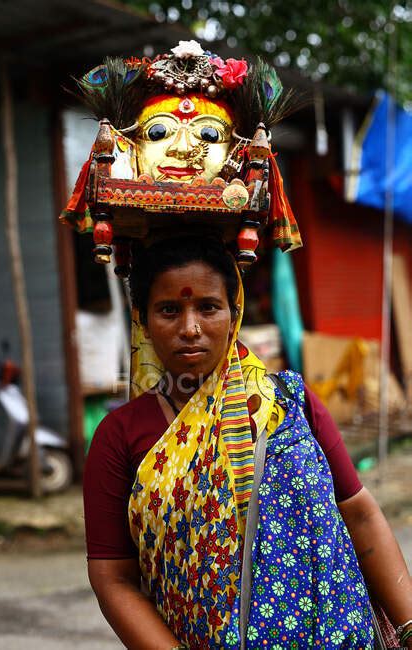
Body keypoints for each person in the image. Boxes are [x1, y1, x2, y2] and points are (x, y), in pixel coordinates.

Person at [84, 235, 412, 649]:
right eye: (169, 310)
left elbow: (360, 514)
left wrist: (409, 627)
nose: (190, 328)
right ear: (143, 320)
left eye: (208, 307)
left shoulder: (289, 403)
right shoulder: (121, 436)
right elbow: (113, 579)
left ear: (233, 313)